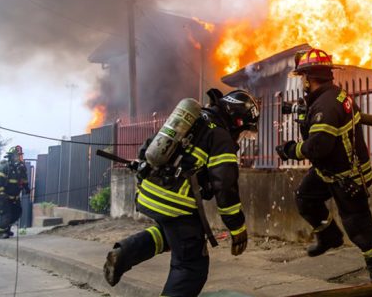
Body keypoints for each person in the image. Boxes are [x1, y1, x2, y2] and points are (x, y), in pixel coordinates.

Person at [104, 89, 258, 297]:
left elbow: (149, 147)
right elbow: (225, 187)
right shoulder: (221, 137)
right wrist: (237, 227)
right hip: (175, 203)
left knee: (174, 235)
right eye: (243, 132)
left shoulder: (193, 120)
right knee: (191, 266)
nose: (240, 138)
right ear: (236, 121)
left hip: (149, 192)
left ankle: (124, 254)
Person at [276, 48, 372, 282]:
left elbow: (318, 147)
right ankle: (329, 236)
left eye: (303, 78)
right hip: (328, 171)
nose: (302, 83)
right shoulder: (334, 96)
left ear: (309, 78)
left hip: (348, 177)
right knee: (305, 197)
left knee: (360, 229)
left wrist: (290, 150)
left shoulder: (326, 105)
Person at [0, 145, 29, 239]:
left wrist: (26, 187)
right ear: (11, 156)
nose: (19, 158)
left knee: (17, 213)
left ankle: (6, 229)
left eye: (20, 155)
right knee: (6, 216)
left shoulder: (21, 168)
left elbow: (24, 180)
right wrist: (1, 193)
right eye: (17, 155)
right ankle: (0, 232)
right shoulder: (5, 167)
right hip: (3, 198)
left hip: (14, 198)